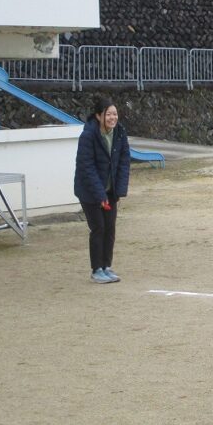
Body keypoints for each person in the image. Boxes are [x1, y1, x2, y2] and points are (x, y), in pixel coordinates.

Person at [74, 96, 130, 284]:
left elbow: (124, 162)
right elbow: (86, 167)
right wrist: (99, 195)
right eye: (109, 114)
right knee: (98, 227)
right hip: (89, 190)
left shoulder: (120, 133)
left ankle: (107, 266)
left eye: (115, 114)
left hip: (109, 190)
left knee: (110, 228)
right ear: (99, 116)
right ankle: (96, 269)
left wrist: (118, 191)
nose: (113, 118)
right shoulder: (88, 135)